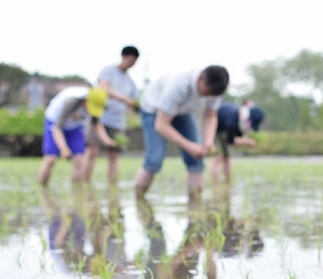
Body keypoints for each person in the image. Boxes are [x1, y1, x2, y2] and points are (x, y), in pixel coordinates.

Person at [133, 65, 230, 200]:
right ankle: (139, 200)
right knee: (154, 159)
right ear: (201, 78)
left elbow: (210, 115)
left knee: (197, 160)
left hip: (183, 112)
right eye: (206, 93)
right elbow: (161, 125)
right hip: (154, 111)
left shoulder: (215, 90)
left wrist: (208, 141)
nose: (207, 97)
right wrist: (189, 146)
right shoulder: (179, 86)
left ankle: (195, 207)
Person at [37, 85, 115, 186]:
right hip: (54, 123)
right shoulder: (72, 101)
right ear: (86, 100)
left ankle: (77, 191)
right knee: (51, 159)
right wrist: (64, 149)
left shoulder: (98, 100)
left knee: (79, 160)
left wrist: (107, 140)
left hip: (74, 127)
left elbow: (96, 123)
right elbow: (57, 128)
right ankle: (42, 188)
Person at [83, 46, 140, 184]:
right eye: (131, 60)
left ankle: (113, 187)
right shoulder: (108, 71)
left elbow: (132, 103)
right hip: (100, 117)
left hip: (118, 121)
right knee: (92, 152)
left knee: (114, 155)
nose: (132, 64)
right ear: (124, 57)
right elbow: (103, 88)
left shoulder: (131, 83)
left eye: (134, 62)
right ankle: (84, 184)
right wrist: (123, 98)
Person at [210, 100, 265, 184]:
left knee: (227, 156)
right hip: (216, 128)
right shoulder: (232, 121)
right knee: (218, 156)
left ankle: (227, 182)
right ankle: (215, 182)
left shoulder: (243, 118)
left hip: (226, 130)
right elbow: (231, 140)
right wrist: (247, 142)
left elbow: (237, 135)